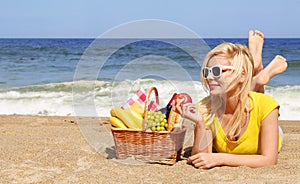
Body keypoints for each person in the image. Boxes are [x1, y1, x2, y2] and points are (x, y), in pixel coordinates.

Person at [176, 41, 284, 169]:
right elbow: (201, 158)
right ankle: (256, 72)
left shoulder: (267, 105)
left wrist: (220, 158)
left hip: (270, 129)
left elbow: (269, 160)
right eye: (207, 72)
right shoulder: (205, 108)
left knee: (250, 97)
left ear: (242, 75)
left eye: (217, 71)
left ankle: (256, 74)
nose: (209, 77)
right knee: (239, 93)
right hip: (238, 94)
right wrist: (200, 123)